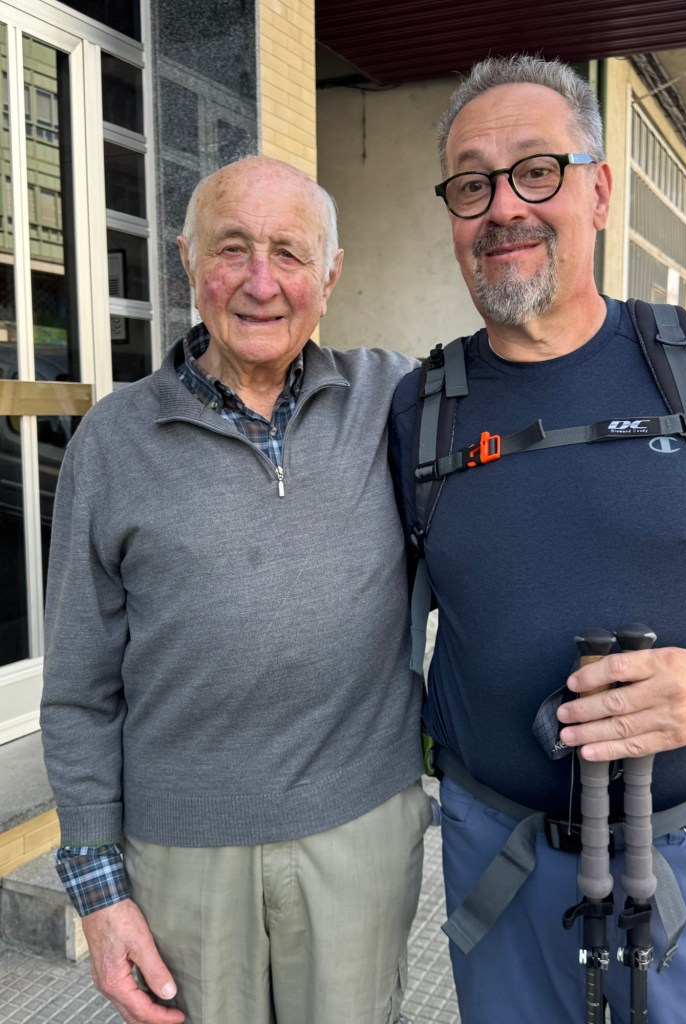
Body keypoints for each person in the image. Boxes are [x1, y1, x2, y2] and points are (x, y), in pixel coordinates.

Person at [388, 55, 686, 1023]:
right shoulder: (419, 410)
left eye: (536, 170)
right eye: (472, 184)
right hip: (497, 863)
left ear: (598, 192)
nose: (503, 207)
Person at [41, 155, 431, 1024]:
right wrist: (99, 895)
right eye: (232, 248)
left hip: (360, 832)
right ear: (188, 261)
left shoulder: (396, 401)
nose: (261, 282)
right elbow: (76, 688)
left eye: (289, 252)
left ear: (330, 275)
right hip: (182, 855)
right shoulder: (112, 441)